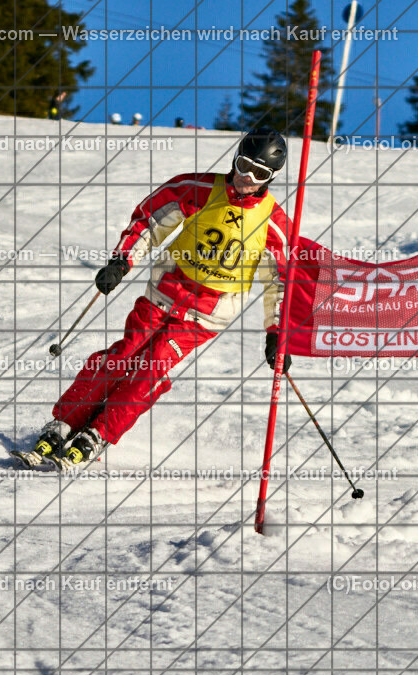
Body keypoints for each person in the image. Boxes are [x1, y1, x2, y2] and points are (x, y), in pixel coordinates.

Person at [16, 128, 295, 471]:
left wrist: (277, 334)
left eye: (259, 173)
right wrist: (122, 260)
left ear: (272, 177)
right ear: (234, 159)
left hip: (206, 314)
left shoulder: (274, 223)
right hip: (164, 291)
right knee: (125, 354)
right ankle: (65, 422)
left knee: (152, 365)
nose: (247, 178)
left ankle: (99, 432)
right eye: (243, 166)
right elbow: (150, 222)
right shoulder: (198, 189)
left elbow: (280, 283)